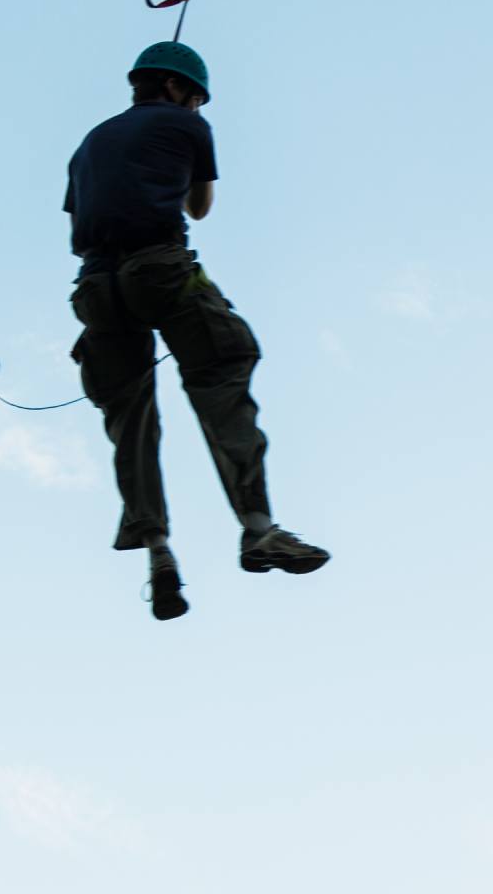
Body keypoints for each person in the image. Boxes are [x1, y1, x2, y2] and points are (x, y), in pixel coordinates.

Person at [63, 40, 328, 620]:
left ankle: (156, 549)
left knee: (130, 420)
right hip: (160, 266)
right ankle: (258, 528)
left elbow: (82, 211)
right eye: (197, 98)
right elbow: (199, 207)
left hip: (96, 290)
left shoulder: (87, 145)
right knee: (221, 372)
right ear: (179, 89)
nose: (198, 108)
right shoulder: (189, 126)